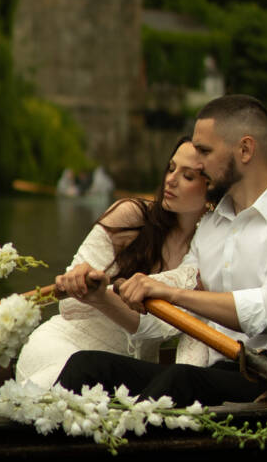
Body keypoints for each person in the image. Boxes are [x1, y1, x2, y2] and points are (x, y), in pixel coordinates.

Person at [56, 94, 267, 406]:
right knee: (87, 366)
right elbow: (170, 319)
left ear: (245, 149)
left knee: (180, 379)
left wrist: (173, 293)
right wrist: (102, 298)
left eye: (205, 151)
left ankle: (120, 450)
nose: (198, 163)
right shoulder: (211, 226)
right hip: (217, 376)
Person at [14, 137, 211, 388]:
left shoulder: (208, 253)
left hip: (125, 375)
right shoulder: (130, 216)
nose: (170, 180)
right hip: (63, 348)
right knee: (46, 398)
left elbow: (167, 331)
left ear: (211, 188)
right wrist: (85, 285)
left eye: (188, 176)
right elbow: (70, 307)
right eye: (171, 168)